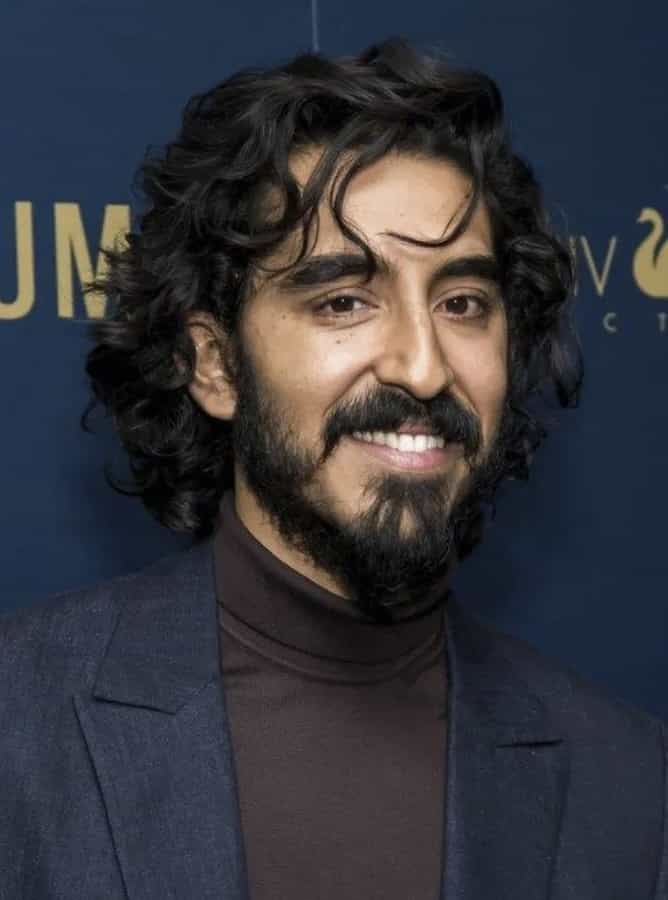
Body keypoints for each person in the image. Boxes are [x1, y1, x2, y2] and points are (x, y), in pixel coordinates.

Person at [1, 37, 666, 900]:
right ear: (216, 366)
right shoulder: (19, 725)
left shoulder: (629, 783)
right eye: (344, 300)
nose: (422, 368)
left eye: (463, 303)